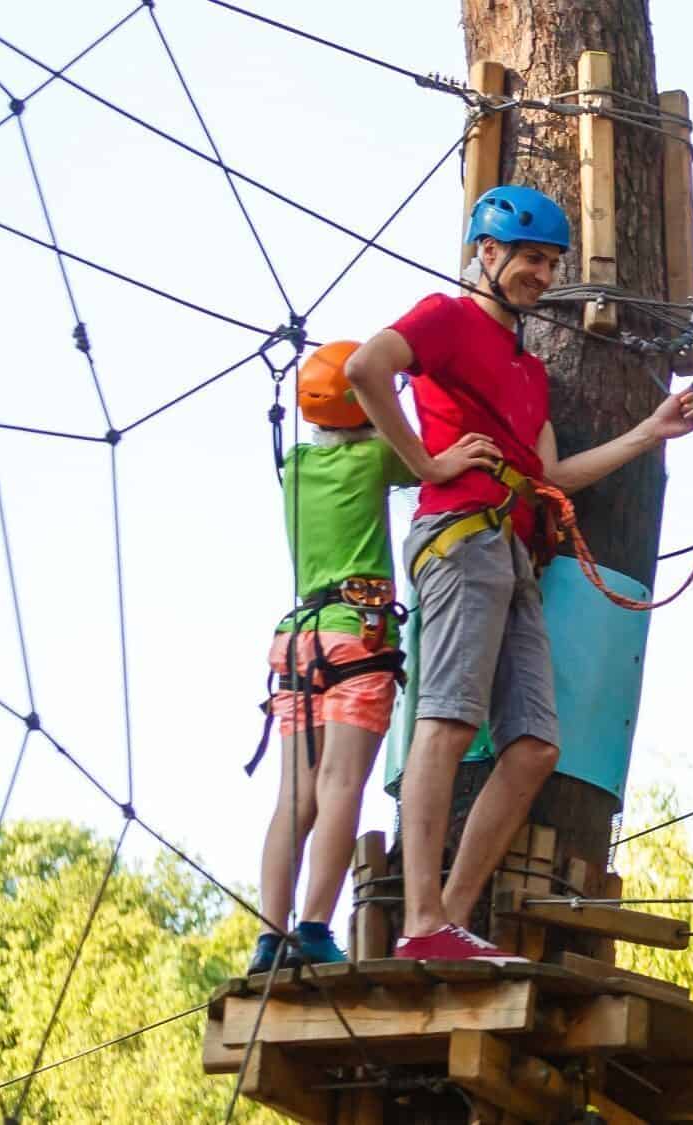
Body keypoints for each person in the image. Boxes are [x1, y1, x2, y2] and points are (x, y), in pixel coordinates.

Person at [344, 185, 693, 961]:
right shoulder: (444, 318)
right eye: (529, 260)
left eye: (549, 262)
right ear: (486, 252)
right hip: (459, 534)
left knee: (536, 743)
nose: (541, 276)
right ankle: (419, 922)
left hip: (511, 547)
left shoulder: (527, 368)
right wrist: (427, 464)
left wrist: (650, 432)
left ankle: (446, 919)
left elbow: (552, 475)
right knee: (444, 718)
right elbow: (367, 369)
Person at [248, 341, 417, 974]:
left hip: (297, 641)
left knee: (295, 796)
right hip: (358, 636)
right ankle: (314, 927)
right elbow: (427, 463)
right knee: (341, 784)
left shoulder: (294, 465)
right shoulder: (378, 457)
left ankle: (270, 938)